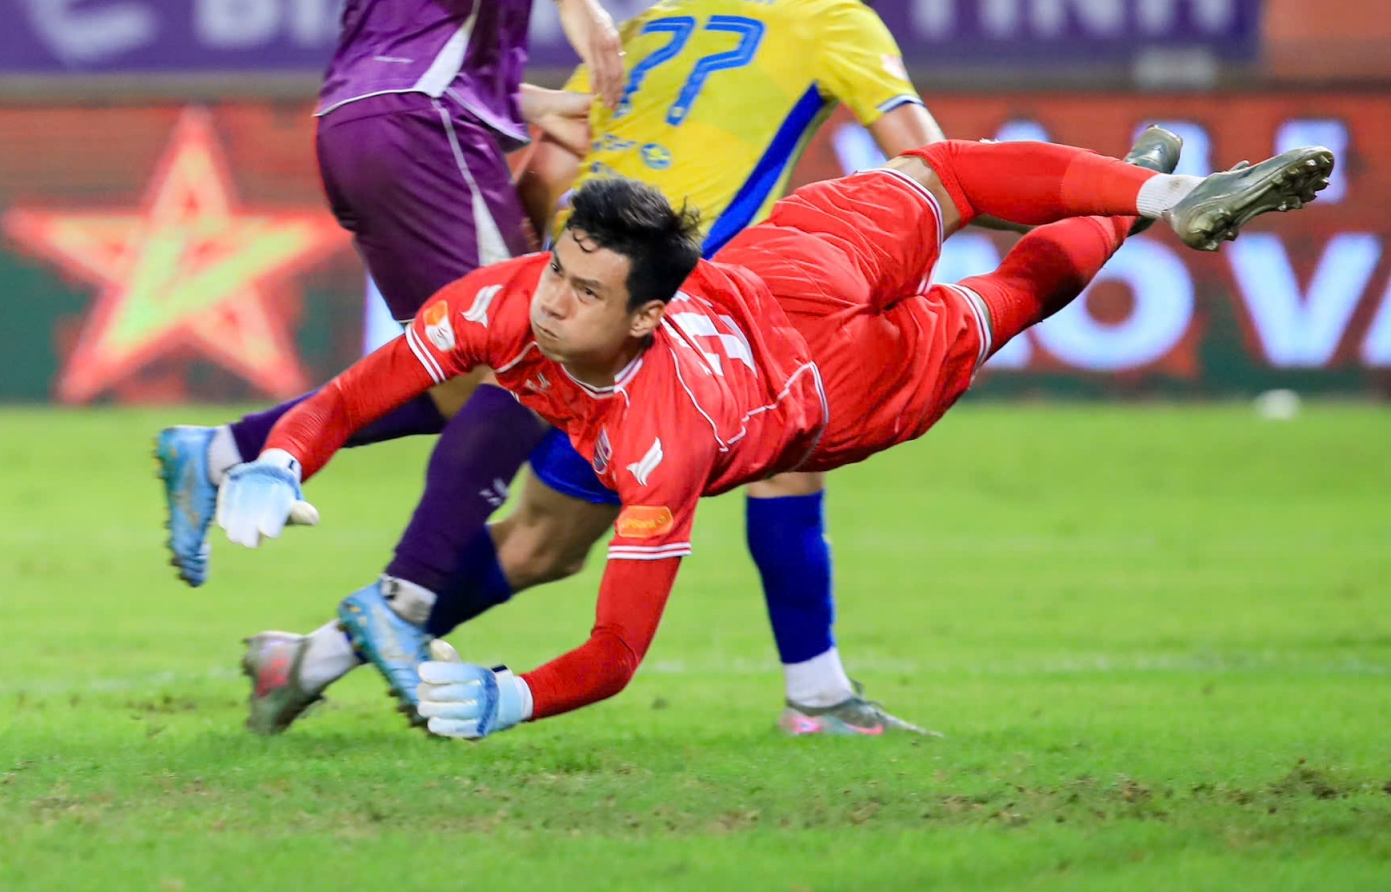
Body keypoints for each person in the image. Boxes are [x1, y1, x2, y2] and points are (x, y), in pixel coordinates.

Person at [215, 136, 1334, 739]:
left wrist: (515, 697)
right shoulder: (505, 302)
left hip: (825, 378)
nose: (551, 304)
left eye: (583, 290)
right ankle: (1138, 195)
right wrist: (280, 455)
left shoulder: (658, 442)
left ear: (645, 313)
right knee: (962, 234)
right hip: (779, 291)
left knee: (984, 278)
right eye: (556, 272)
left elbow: (613, 658)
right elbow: (355, 393)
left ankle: (1156, 196)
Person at [239, 0, 963, 738]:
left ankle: (305, 658)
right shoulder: (832, 15)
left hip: (572, 291)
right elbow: (930, 163)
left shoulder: (645, 27)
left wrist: (558, 294)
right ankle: (818, 696)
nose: (866, 8)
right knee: (658, 497)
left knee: (573, 529)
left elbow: (545, 168)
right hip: (671, 312)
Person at [154, 0, 626, 663]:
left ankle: (230, 456)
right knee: (525, 372)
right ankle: (402, 611)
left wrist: (543, 106)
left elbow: (431, 14)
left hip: (378, 118)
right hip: (419, 124)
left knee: (471, 383)